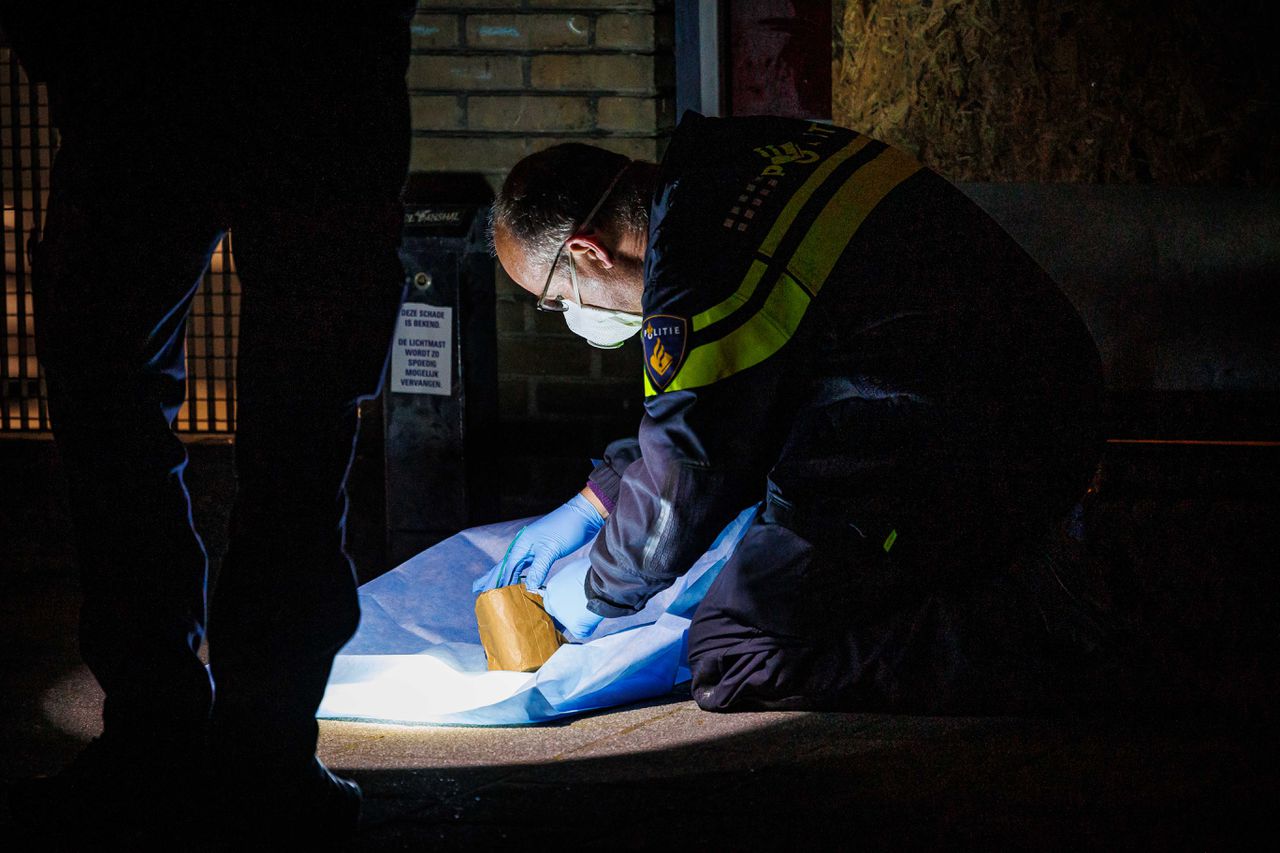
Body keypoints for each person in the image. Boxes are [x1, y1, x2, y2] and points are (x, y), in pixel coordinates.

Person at [482, 112, 1106, 714]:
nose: (570, 315)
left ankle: (1044, 642)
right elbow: (722, 403)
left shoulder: (701, 272)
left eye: (557, 297)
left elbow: (690, 476)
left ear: (590, 253)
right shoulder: (732, 158)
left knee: (737, 650)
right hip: (1022, 390)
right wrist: (597, 502)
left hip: (988, 437)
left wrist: (594, 591)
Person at [3, 2, 415, 841]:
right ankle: (262, 754)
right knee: (299, 429)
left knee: (113, 409)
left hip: (135, 72)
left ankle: (159, 741)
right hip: (317, 74)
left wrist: (64, 51)